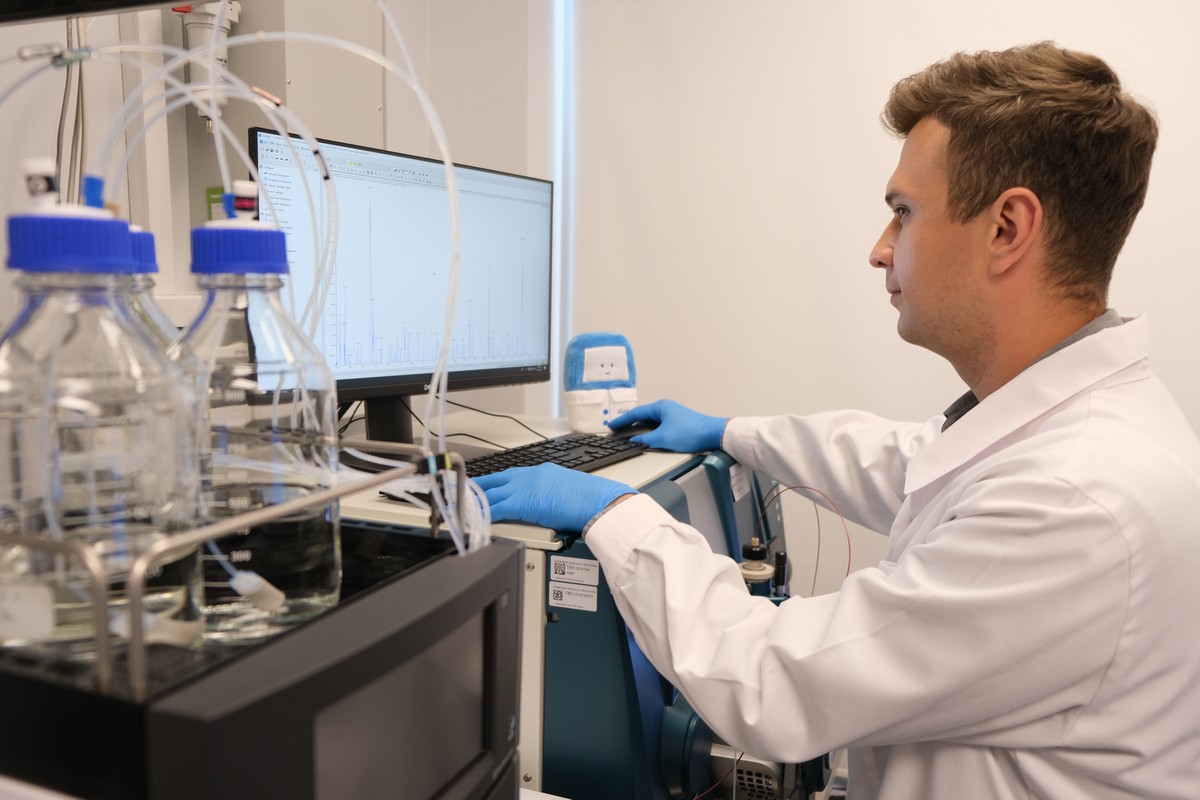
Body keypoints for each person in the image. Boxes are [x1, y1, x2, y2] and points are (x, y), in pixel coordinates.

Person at [476, 41, 1200, 799]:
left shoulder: (1073, 500)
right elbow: (903, 460)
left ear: (1007, 229)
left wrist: (617, 514)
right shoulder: (1072, 435)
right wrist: (728, 431)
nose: (880, 250)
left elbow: (771, 679)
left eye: (903, 213)